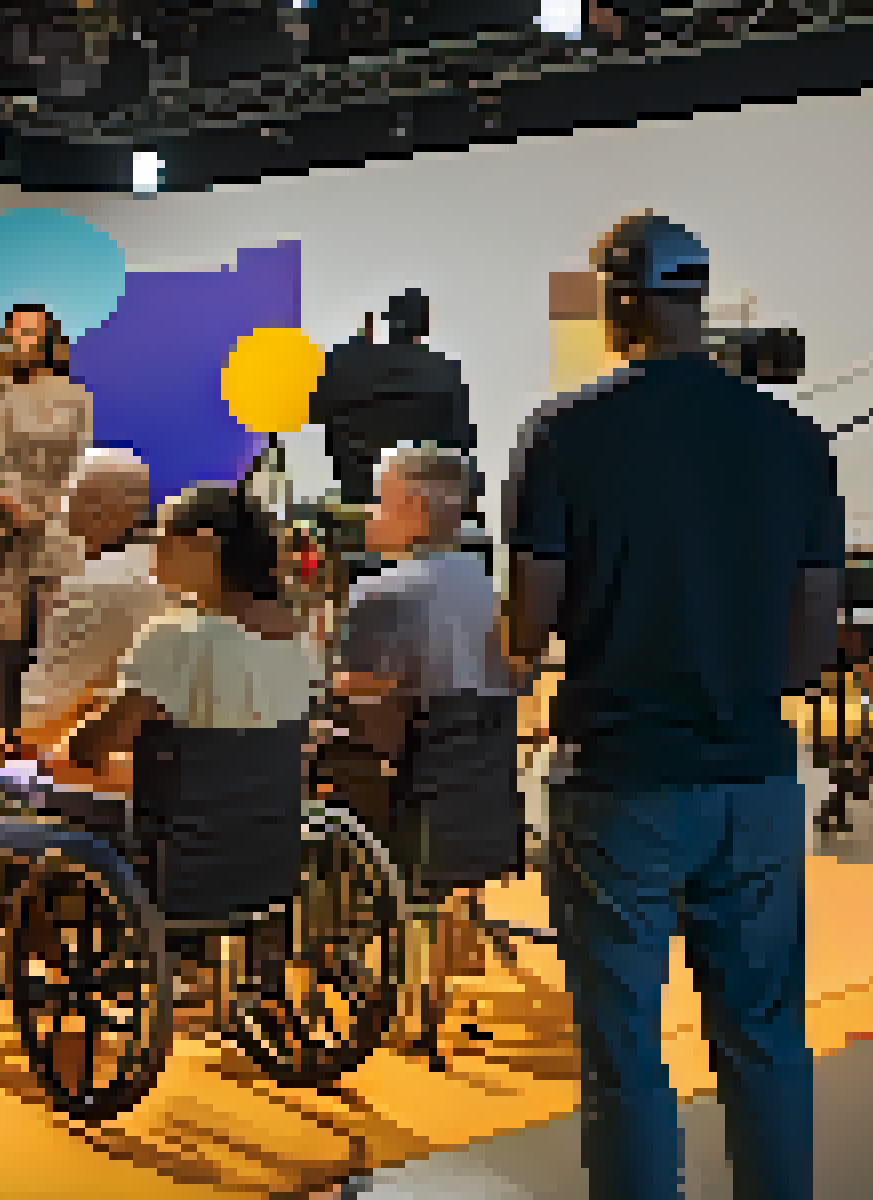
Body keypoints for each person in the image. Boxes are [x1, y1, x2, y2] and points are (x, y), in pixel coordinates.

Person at [504, 213, 840, 1200]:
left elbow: (530, 626)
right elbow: (809, 650)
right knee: (767, 1039)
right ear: (696, 300)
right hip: (754, 779)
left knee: (624, 1056)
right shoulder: (794, 438)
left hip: (620, 778)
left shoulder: (564, 431)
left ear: (617, 302)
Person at [0, 482, 325, 980]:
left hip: (169, 852)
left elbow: (93, 749)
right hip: (263, 851)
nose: (153, 549)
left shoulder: (176, 636)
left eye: (164, 537)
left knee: (7, 791)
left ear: (206, 546)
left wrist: (53, 749)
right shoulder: (299, 639)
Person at [335, 443, 518, 1036]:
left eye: (380, 501)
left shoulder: (381, 594)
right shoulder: (490, 589)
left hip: (413, 793)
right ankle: (440, 970)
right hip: (480, 788)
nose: (369, 515)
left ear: (411, 505)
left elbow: (364, 700)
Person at [0, 304, 96, 765]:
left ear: (51, 337)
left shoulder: (76, 397)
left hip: (53, 524)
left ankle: (42, 730)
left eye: (32, 331)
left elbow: (78, 467)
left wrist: (47, 509)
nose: (22, 339)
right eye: (14, 331)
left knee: (51, 631)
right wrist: (9, 502)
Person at [10, 447, 168, 758]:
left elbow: (47, 705)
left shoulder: (97, 582)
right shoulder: (181, 573)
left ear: (99, 507)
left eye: (70, 497)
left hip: (120, 767)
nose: (62, 510)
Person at [311, 288, 476, 507]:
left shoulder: (347, 363)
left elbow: (314, 410)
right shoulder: (446, 372)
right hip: (422, 510)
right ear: (424, 327)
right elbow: (463, 445)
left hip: (358, 504)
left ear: (388, 321)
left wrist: (355, 349)